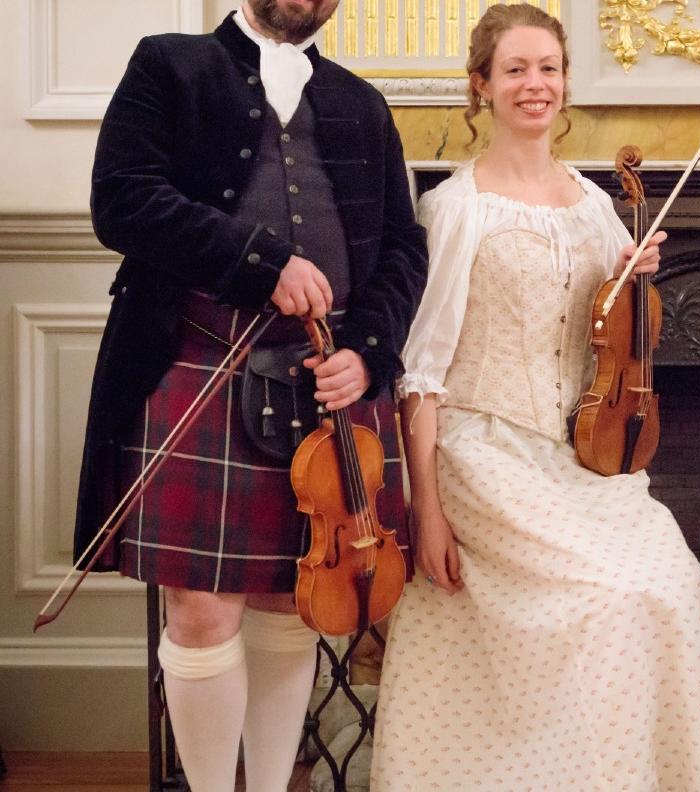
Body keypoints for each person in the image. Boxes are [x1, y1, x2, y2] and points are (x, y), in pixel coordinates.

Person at [77, 1, 427, 790]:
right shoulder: (167, 65)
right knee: (202, 612)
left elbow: (403, 246)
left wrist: (370, 352)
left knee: (290, 606)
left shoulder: (361, 103)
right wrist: (258, 262)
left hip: (327, 381)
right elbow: (122, 199)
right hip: (199, 364)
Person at [369, 5, 700, 789]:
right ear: (481, 86)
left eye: (549, 68)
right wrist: (424, 508)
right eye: (517, 69)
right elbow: (420, 372)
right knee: (611, 597)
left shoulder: (597, 205)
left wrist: (636, 280)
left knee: (671, 583)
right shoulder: (456, 210)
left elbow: (610, 339)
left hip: (583, 460)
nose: (536, 85)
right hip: (481, 452)